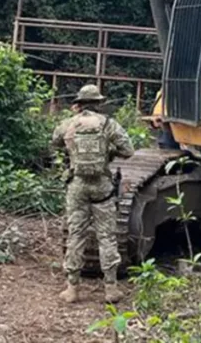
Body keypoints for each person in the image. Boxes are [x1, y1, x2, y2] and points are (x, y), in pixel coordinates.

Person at [51, 84, 135, 304]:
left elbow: (55, 142)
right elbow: (128, 151)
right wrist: (109, 151)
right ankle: (111, 289)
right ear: (99, 103)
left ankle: (72, 288)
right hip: (102, 186)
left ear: (79, 103)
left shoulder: (70, 123)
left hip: (77, 185)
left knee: (76, 235)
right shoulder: (108, 124)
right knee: (107, 237)